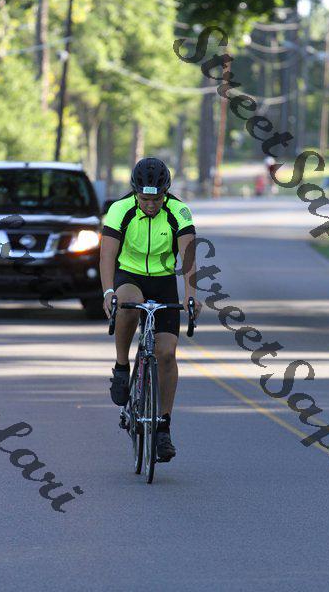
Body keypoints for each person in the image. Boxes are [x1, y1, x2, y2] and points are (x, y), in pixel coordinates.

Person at [100, 157, 202, 462]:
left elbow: (189, 258)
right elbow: (107, 256)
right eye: (145, 199)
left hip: (163, 281)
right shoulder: (120, 209)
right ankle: (121, 368)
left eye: (157, 199)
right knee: (127, 306)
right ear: (135, 193)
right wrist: (108, 292)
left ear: (165, 193)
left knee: (166, 353)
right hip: (129, 275)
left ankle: (163, 428)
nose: (150, 205)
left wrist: (191, 296)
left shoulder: (179, 211)